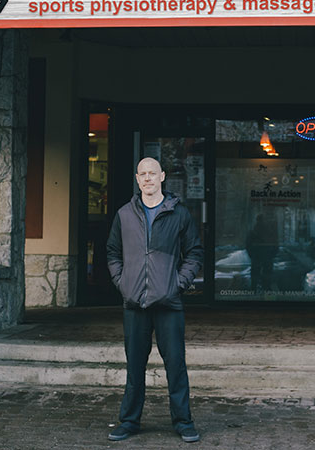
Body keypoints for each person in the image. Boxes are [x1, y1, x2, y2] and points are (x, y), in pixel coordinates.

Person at [106, 157, 203, 443]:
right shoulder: (124, 214)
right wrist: (123, 283)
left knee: (176, 364)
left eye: (152, 173)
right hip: (134, 303)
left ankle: (184, 422)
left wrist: (178, 284)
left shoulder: (179, 213)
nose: (148, 178)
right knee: (135, 365)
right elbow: (112, 252)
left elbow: (195, 253)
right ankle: (129, 421)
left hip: (169, 303)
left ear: (162, 177)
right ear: (137, 179)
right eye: (142, 174)